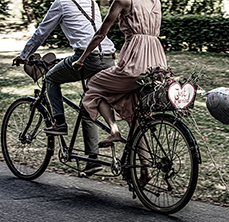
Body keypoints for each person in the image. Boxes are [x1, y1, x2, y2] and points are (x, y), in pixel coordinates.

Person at [13, 0, 116, 176]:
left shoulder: (61, 3)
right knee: (89, 103)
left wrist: (25, 55)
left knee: (51, 78)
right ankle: (92, 159)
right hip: (108, 57)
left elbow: (41, 32)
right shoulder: (92, 2)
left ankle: (59, 123)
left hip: (87, 57)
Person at [72, 0, 167, 147]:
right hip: (157, 64)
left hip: (135, 64)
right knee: (134, 114)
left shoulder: (123, 1)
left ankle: (114, 130)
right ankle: (144, 169)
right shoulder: (156, 2)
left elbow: (100, 34)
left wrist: (81, 59)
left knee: (95, 86)